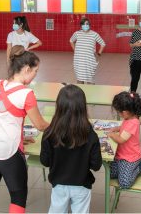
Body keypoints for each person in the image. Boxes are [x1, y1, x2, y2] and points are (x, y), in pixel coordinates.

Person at [0, 45, 50, 214]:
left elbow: (5, 117)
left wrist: (21, 136)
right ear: (27, 69)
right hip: (9, 153)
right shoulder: (26, 94)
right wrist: (63, 126)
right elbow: (41, 125)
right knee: (18, 196)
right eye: (35, 71)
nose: (36, 74)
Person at [40, 84, 102, 214]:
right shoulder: (91, 135)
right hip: (82, 184)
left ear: (58, 107)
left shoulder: (49, 133)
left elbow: (45, 161)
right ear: (83, 108)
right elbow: (96, 165)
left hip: (58, 184)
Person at [107, 92, 141, 188]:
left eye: (118, 112)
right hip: (121, 155)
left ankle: (140, 167)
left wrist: (112, 135)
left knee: (124, 183)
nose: (118, 113)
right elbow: (124, 127)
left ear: (125, 112)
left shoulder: (133, 122)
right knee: (110, 175)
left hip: (130, 157)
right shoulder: (129, 117)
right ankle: (128, 169)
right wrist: (117, 128)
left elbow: (121, 139)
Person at [70, 18, 106, 84]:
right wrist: (75, 50)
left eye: (87, 24)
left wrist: (99, 53)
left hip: (89, 60)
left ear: (89, 25)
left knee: (90, 80)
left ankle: (90, 92)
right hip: (79, 61)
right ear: (81, 26)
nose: (85, 25)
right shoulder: (77, 33)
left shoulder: (94, 34)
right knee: (80, 79)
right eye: (83, 24)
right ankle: (80, 93)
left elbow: (103, 43)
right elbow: (71, 41)